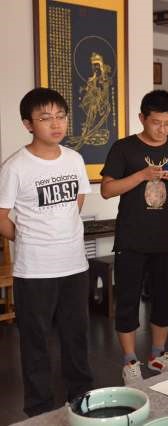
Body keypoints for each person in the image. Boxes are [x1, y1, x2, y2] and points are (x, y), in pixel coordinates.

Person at [0, 88, 93, 416]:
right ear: (28, 124)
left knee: (76, 337)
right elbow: (1, 216)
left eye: (60, 116)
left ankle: (82, 401)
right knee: (36, 343)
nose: (56, 124)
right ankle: (39, 411)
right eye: (45, 118)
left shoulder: (74, 159)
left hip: (74, 264)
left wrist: (60, 230)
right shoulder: (15, 166)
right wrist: (28, 237)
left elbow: (78, 200)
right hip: (34, 270)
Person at [100, 90, 168, 384]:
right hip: (131, 238)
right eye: (156, 122)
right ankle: (130, 361)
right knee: (127, 300)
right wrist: (141, 175)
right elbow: (107, 190)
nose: (163, 129)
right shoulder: (124, 148)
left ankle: (157, 355)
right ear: (142, 118)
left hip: (165, 239)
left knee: (164, 299)